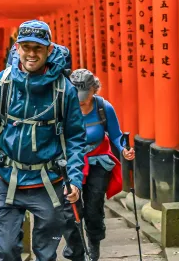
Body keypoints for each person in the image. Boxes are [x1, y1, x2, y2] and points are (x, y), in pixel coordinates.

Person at [0, 20, 87, 261]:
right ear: (17, 47)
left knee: (46, 252)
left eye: (38, 48)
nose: (31, 54)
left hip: (49, 183)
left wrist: (74, 178)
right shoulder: (1, 83)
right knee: (7, 250)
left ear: (49, 49)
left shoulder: (65, 89)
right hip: (7, 179)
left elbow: (75, 137)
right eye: (26, 47)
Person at [62, 69, 135, 261]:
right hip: (71, 161)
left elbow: (116, 135)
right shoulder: (65, 107)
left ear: (94, 89)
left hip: (98, 160)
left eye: (85, 96)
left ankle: (94, 245)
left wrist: (124, 149)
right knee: (71, 207)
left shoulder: (103, 107)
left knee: (94, 207)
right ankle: (76, 250)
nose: (81, 101)